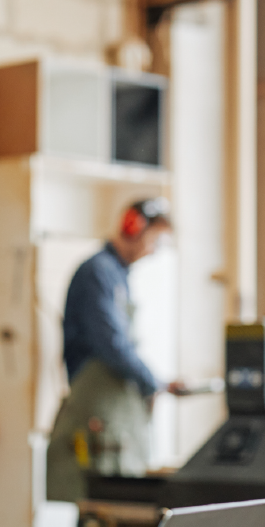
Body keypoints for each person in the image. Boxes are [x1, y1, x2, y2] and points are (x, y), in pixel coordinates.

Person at [45, 197, 183, 503]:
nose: (153, 251)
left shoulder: (117, 276)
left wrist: (159, 383)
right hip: (96, 412)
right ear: (133, 227)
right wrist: (152, 382)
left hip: (112, 417)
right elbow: (111, 344)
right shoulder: (98, 272)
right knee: (98, 513)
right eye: (154, 240)